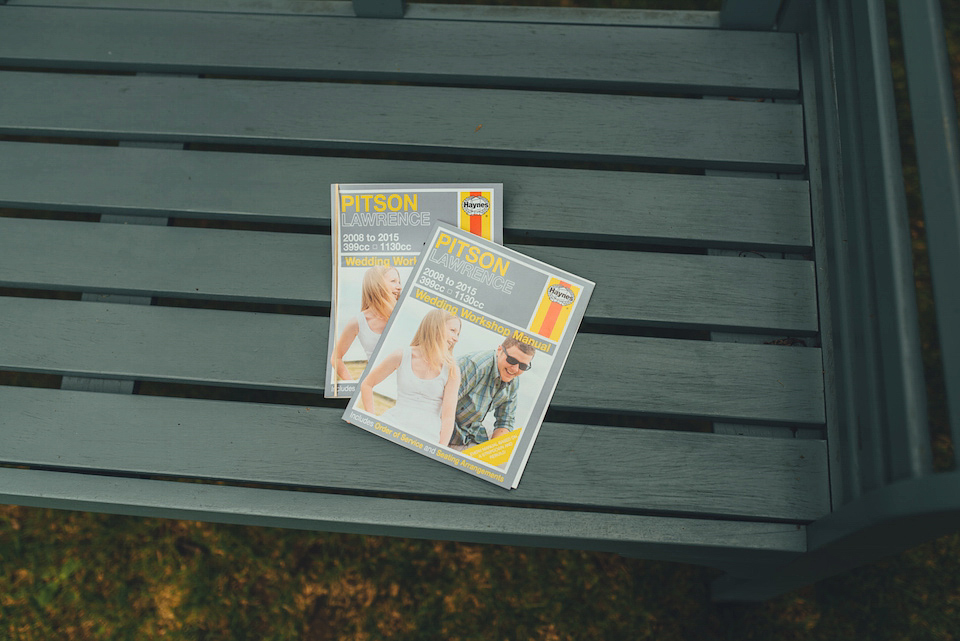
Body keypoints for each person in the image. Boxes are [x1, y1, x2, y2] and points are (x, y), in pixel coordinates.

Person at [361, 309, 462, 445]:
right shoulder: (402, 355)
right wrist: (370, 418)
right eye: (452, 330)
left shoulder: (451, 370)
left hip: (426, 437)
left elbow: (448, 417)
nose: (456, 338)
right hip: (392, 425)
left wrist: (439, 449)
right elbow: (367, 384)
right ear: (435, 326)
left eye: (458, 333)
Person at [450, 337, 535, 450]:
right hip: (448, 434)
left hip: (472, 435)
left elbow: (505, 421)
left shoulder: (513, 379)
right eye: (512, 360)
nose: (515, 369)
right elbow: (440, 405)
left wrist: (492, 452)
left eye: (523, 366)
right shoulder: (474, 366)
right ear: (499, 350)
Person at [331, 265, 402, 382]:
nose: (399, 287)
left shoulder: (401, 314)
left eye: (399, 282)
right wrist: (352, 384)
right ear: (376, 284)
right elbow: (336, 358)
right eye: (393, 281)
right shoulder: (359, 321)